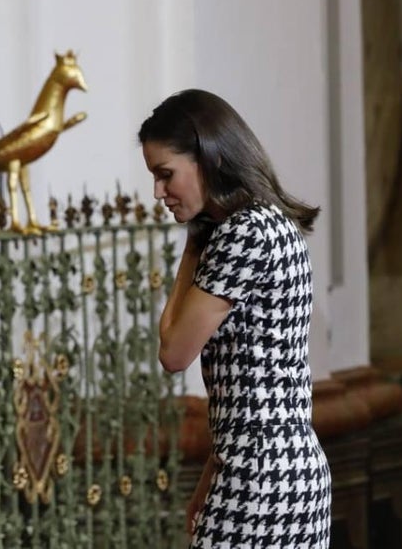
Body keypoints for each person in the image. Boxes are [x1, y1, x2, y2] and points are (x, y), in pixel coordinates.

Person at [139, 89, 331, 549]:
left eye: (166, 174)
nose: (158, 192)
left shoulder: (240, 233)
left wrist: (193, 242)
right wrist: (211, 477)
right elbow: (259, 389)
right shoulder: (275, 224)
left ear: (208, 158)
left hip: (257, 480)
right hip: (297, 473)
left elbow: (173, 352)